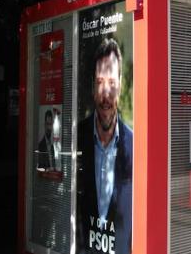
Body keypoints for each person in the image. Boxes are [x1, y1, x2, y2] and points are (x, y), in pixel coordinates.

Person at [77, 38, 133, 254]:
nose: (106, 94)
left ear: (120, 85)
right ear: (92, 87)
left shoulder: (133, 145)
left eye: (112, 82)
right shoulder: (77, 136)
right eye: (100, 82)